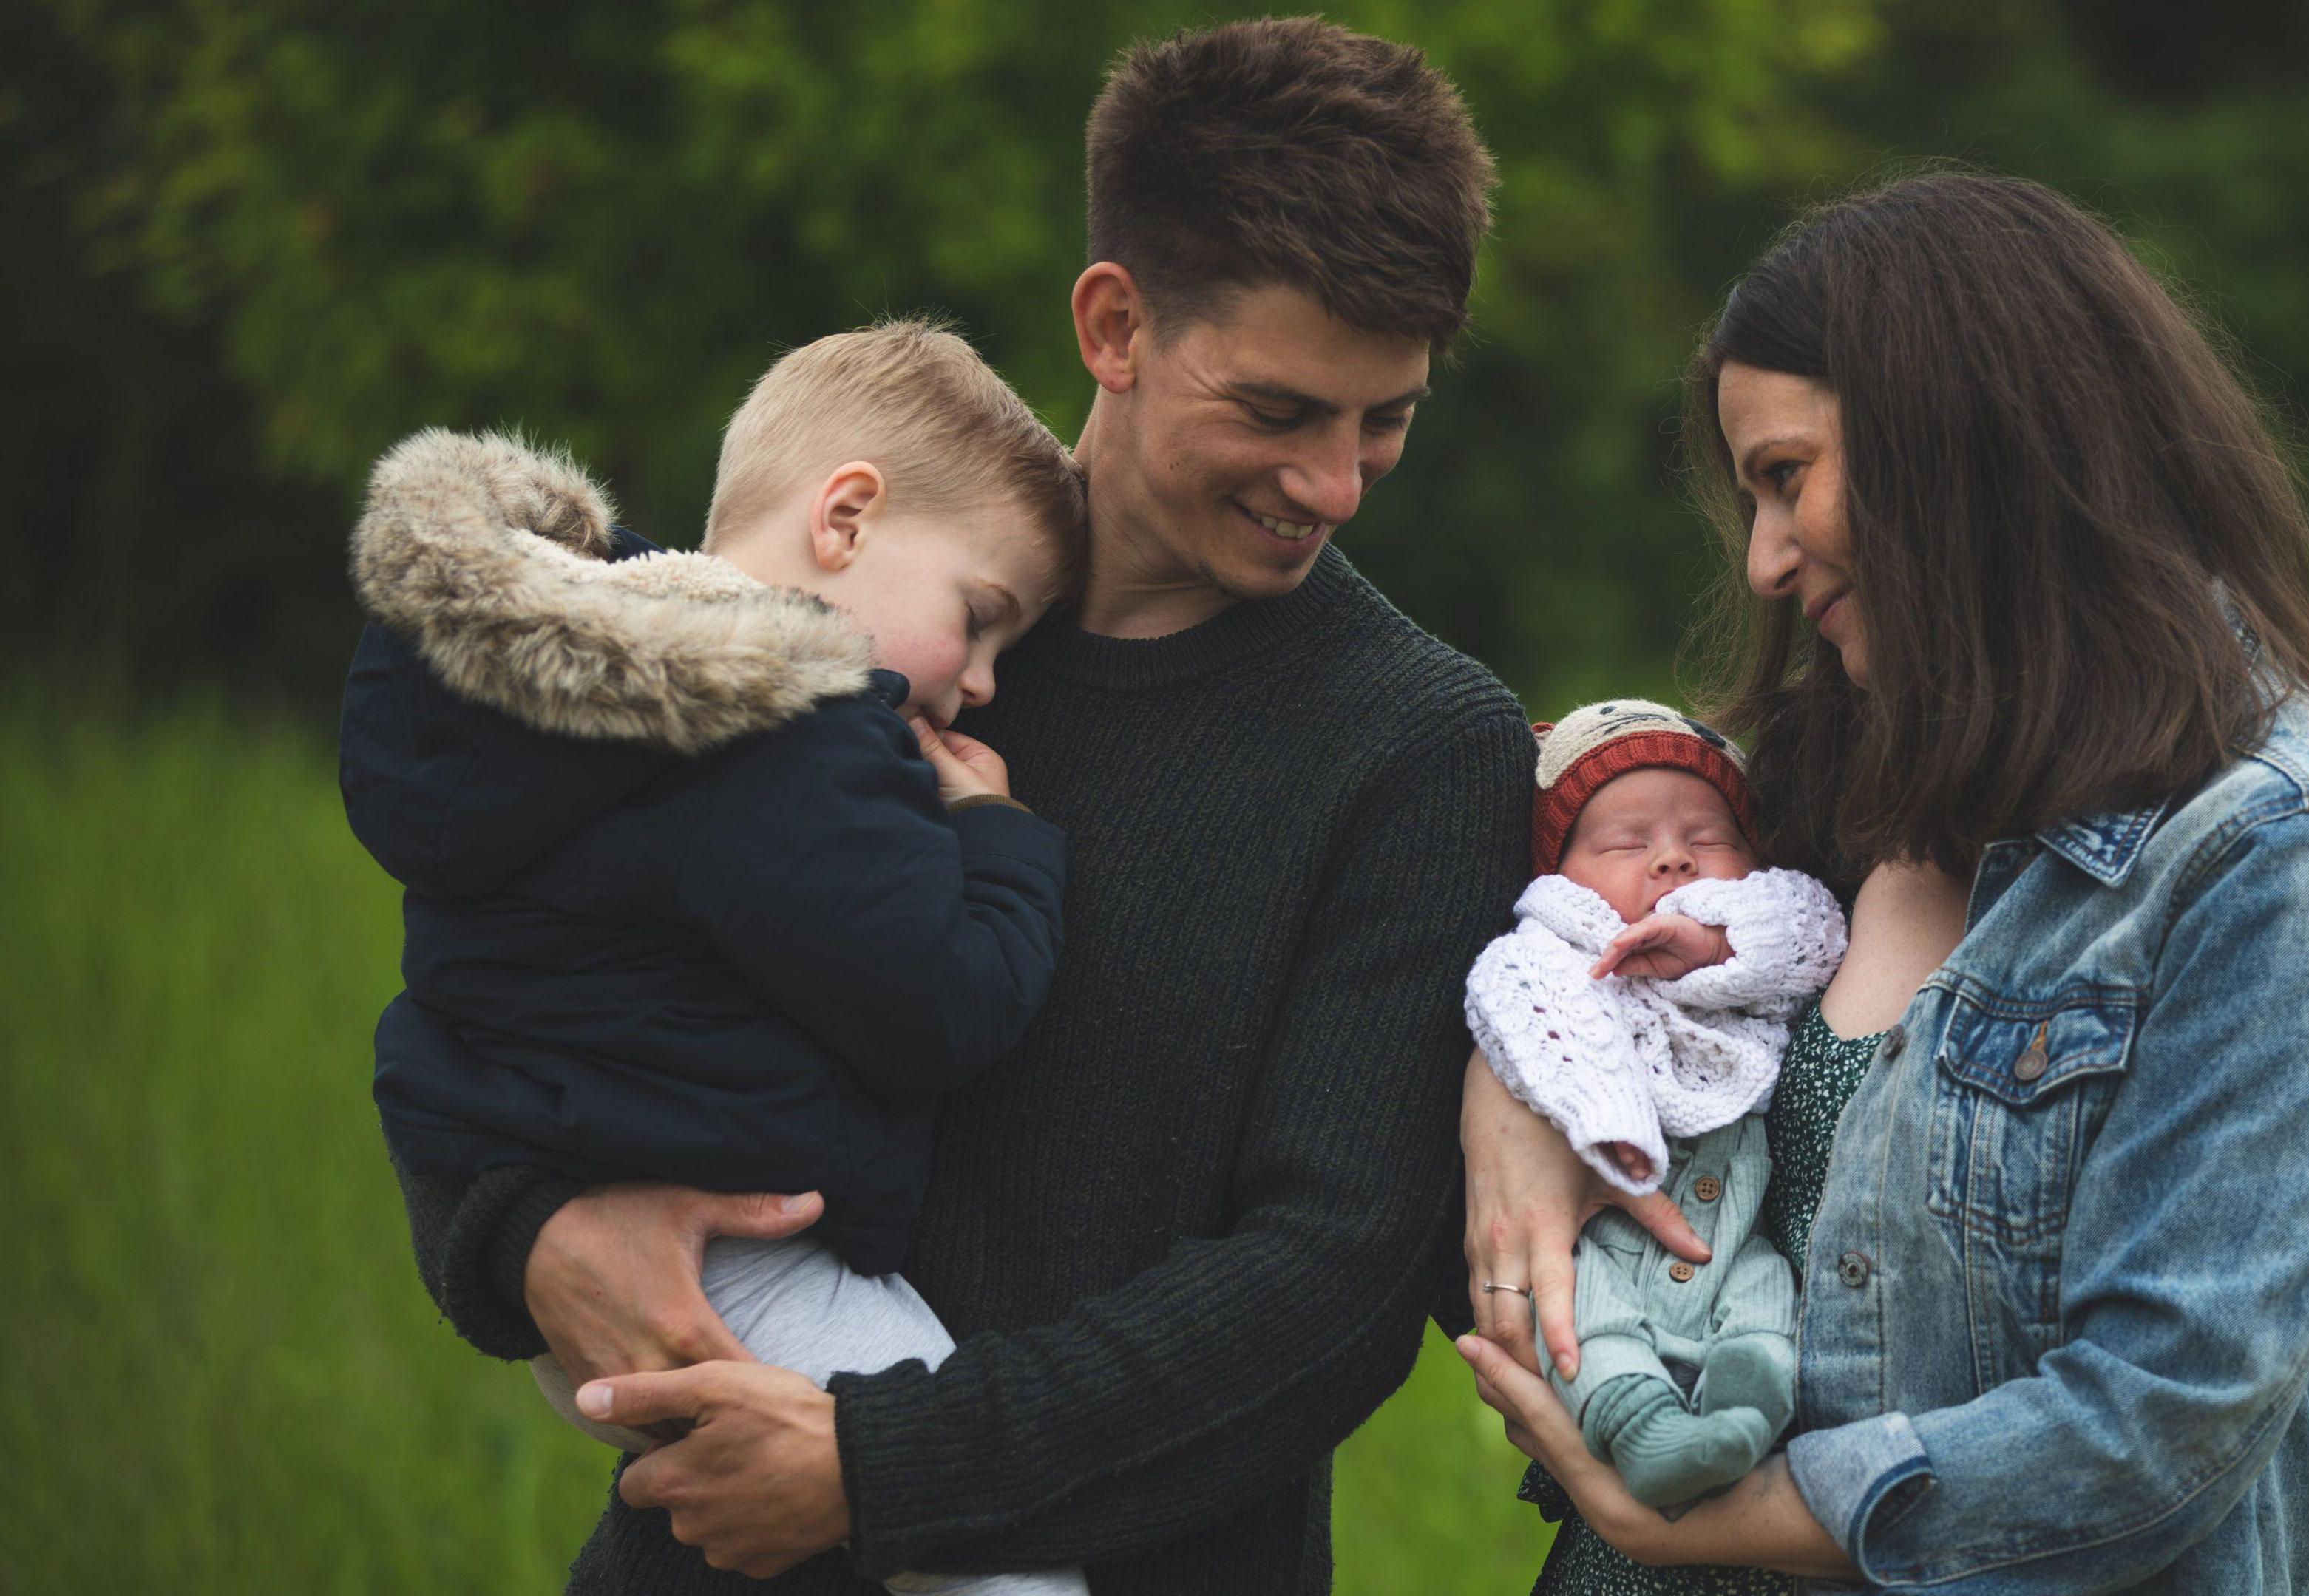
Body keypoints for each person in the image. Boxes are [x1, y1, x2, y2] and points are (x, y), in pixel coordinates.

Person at [378, 18, 1530, 1594]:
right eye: (1277, 410)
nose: (1332, 481)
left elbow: (1327, 1282)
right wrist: (520, 1230)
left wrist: (879, 1466)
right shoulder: (861, 635)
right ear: (1115, 322)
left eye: (1383, 417)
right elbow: (523, 970)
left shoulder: (1417, 745)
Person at [1456, 172, 2309, 1595]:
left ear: (1962, 439)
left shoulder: (2295, 861)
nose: (1762, 558)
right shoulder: (1829, 774)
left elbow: (2146, 1429)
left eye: (1787, 476)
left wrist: (1705, 1519)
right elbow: (1548, 920)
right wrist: (1511, 1086)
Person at [342, 322, 1086, 1596]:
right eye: (979, 619)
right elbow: (943, 1006)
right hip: (737, 1274)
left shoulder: (532, 695)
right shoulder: (792, 734)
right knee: (998, 1550)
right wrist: (1004, 844)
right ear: (844, 519)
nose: (977, 684)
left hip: (568, 1267)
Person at [1462, 700, 1845, 1513]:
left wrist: (1710, 944)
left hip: (1735, 1234)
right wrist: (1611, 1126)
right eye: (1627, 842)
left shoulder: (1747, 965)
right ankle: (1643, 1426)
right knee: (1583, 1315)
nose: (1673, 858)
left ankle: (1747, 1397)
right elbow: (1533, 1015)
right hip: (1609, 1218)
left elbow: (1810, 928)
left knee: (1765, 1292)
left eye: (1709, 838)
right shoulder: (1551, 952)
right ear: (1558, 873)